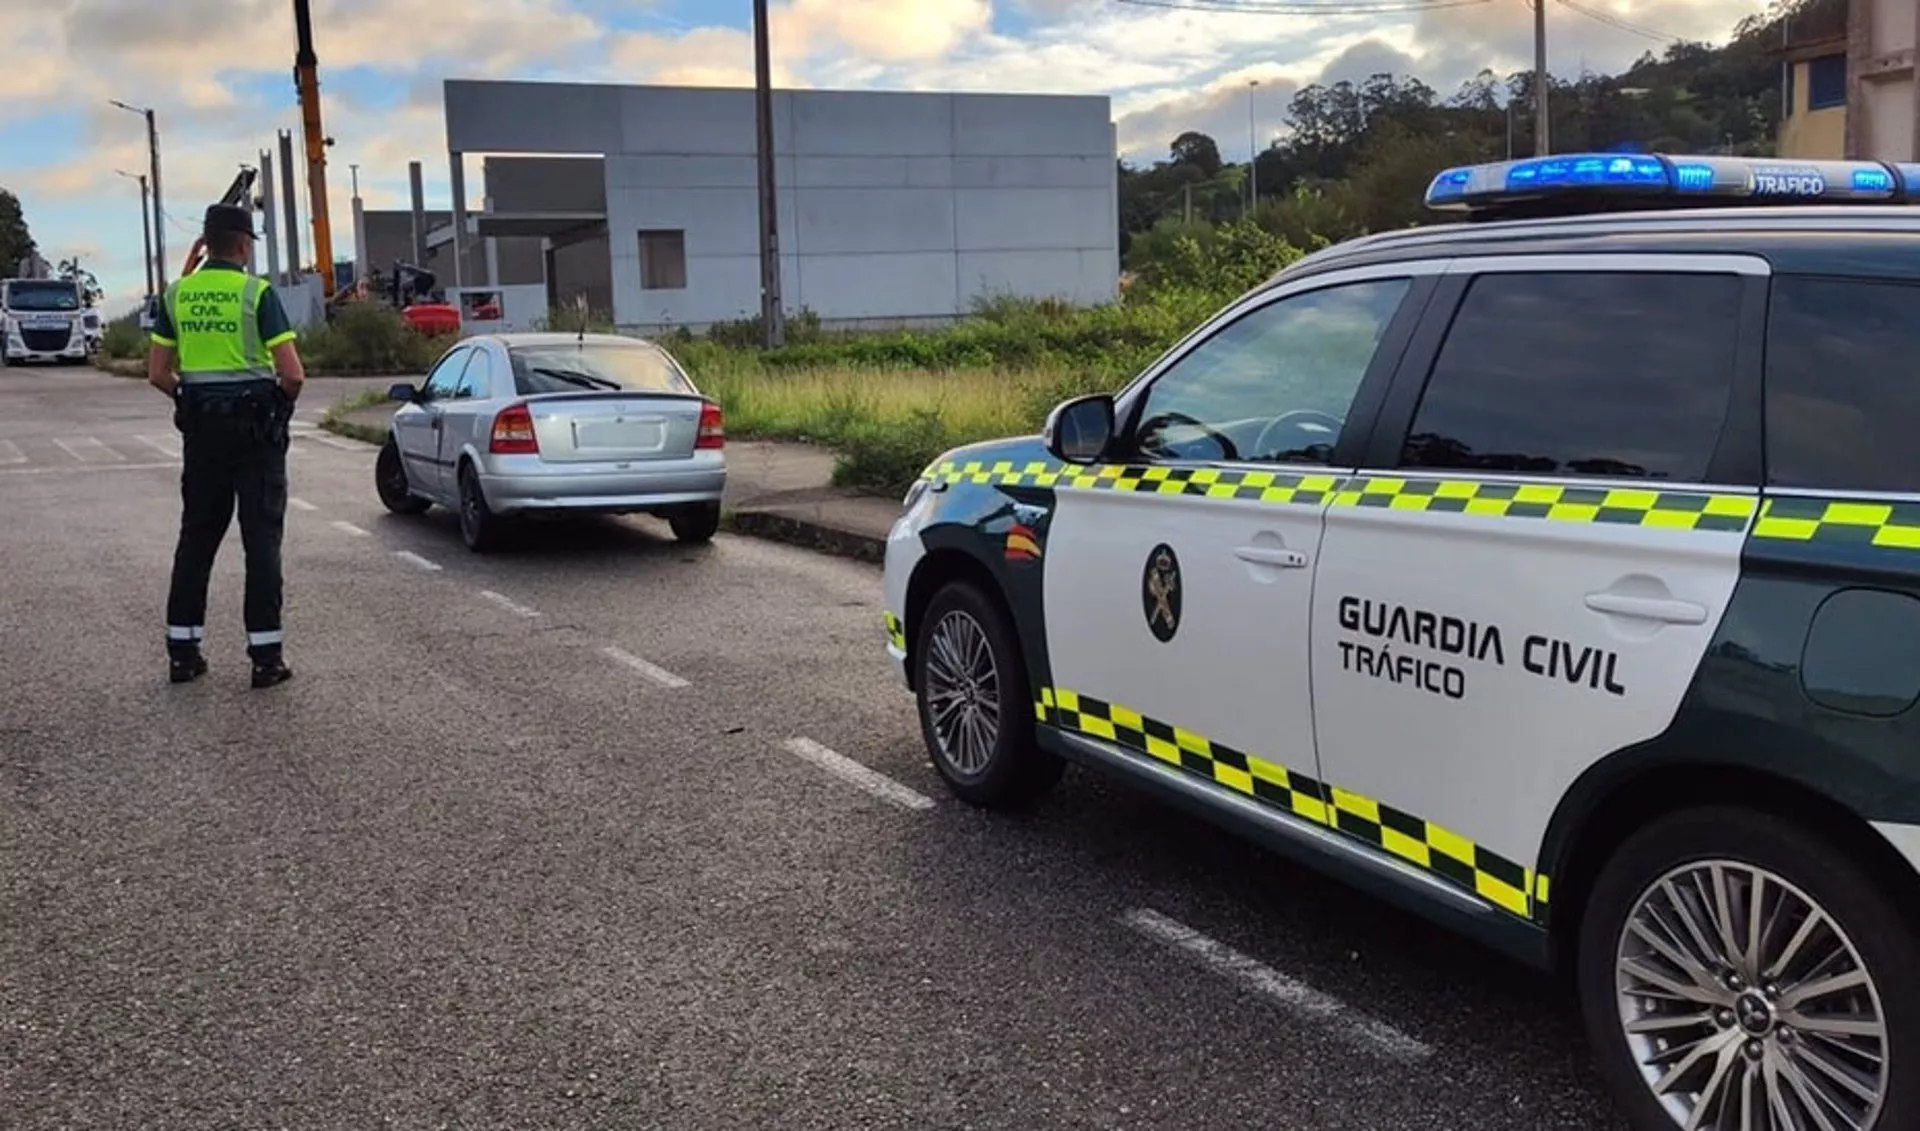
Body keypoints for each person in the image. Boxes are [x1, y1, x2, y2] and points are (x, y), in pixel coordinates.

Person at [146, 203, 306, 689]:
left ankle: (183, 652)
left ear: (205, 243)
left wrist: (191, 399)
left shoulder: (176, 295)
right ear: (241, 244)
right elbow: (293, 373)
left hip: (202, 433)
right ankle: (265, 658)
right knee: (261, 542)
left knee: (196, 537)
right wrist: (276, 406)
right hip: (255, 434)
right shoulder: (255, 293)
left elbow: (156, 373)